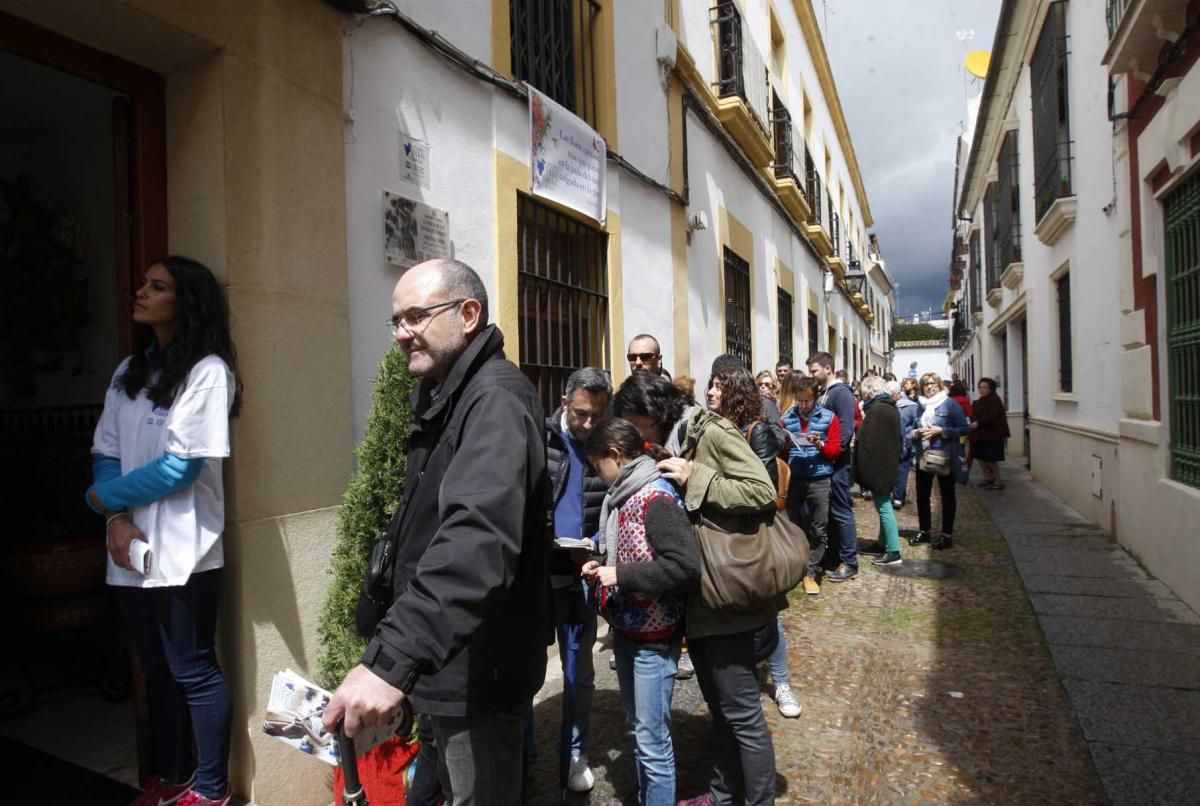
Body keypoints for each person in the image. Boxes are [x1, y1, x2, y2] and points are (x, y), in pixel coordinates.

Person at [323, 259, 550, 805]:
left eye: (416, 317)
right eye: (396, 321)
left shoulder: (494, 398)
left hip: (477, 674)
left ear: (468, 313)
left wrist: (392, 660)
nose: (402, 333)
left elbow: (476, 541)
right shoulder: (447, 393)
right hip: (442, 667)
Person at [87, 256, 241, 806]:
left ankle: (210, 791)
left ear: (187, 302)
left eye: (158, 286)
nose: (141, 292)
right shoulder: (128, 372)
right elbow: (106, 449)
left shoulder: (207, 372)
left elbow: (182, 467)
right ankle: (173, 778)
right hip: (126, 549)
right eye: (144, 283)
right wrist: (117, 520)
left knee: (193, 671)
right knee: (155, 670)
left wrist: (105, 500)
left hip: (183, 552)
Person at [612, 372, 778, 806]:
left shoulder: (712, 430)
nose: (632, 433)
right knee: (723, 710)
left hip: (730, 592)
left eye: (634, 422)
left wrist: (695, 475)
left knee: (741, 713)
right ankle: (723, 795)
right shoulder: (680, 437)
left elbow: (763, 489)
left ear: (652, 413)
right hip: (705, 596)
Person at [580, 417, 700, 806]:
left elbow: (684, 567)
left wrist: (621, 575)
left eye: (599, 466)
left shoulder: (656, 497)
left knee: (652, 742)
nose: (599, 477)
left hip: (654, 640)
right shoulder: (625, 496)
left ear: (615, 456)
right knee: (638, 731)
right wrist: (600, 564)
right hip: (629, 633)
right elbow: (628, 549)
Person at [707, 367, 798, 719]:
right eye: (711, 386)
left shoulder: (756, 432)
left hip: (755, 534)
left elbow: (762, 492)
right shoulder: (711, 428)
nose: (712, 393)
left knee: (766, 610)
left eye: (719, 387)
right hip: (721, 534)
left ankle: (781, 682)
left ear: (736, 395)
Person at [542, 367, 611, 792]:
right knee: (527, 668)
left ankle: (573, 752)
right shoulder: (540, 438)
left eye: (596, 416)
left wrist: (598, 543)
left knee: (578, 672)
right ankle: (524, 752)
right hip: (538, 572)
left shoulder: (605, 444)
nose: (588, 424)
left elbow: (613, 501)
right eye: (582, 414)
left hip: (581, 574)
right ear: (566, 403)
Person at [780, 374, 842, 597]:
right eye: (800, 400)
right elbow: (782, 450)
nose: (804, 405)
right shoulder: (787, 418)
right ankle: (796, 567)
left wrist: (821, 444)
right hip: (795, 477)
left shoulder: (829, 418)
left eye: (808, 401)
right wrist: (786, 442)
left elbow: (835, 451)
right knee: (793, 524)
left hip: (819, 478)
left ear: (816, 398)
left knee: (818, 526)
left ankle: (812, 571)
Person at [806, 352, 858, 582]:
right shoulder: (825, 393)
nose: (811, 375)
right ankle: (835, 555)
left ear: (828, 369)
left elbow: (845, 431)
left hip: (838, 463)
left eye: (814, 371)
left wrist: (832, 452)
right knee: (830, 513)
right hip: (825, 461)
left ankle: (850, 561)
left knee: (841, 511)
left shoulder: (842, 394)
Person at [907, 372, 970, 551]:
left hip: (944, 456)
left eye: (933, 383)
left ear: (940, 385)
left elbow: (965, 429)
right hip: (923, 456)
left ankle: (946, 534)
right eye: (926, 384)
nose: (929, 387)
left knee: (947, 496)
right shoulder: (919, 406)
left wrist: (941, 430)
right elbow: (910, 431)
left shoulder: (950, 404)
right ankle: (924, 530)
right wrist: (916, 433)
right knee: (922, 496)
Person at [855, 376, 902, 566]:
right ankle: (883, 543)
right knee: (883, 505)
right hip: (887, 464)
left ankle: (893, 550)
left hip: (880, 467)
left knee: (884, 508)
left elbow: (870, 442)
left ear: (869, 391)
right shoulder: (888, 407)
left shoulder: (878, 410)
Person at [970, 377, 1010, 490]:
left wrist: (978, 423)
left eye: (984, 387)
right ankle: (988, 477)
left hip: (993, 435)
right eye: (980, 387)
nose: (981, 390)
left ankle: (998, 481)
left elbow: (992, 416)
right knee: (980, 456)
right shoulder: (982, 400)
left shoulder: (994, 400)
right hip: (981, 434)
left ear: (990, 388)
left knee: (991, 459)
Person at [890, 379, 920, 509]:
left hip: (890, 442)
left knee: (892, 469)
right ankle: (898, 497)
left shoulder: (888, 406)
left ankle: (893, 495)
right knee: (902, 470)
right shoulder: (913, 407)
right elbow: (917, 425)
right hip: (906, 443)